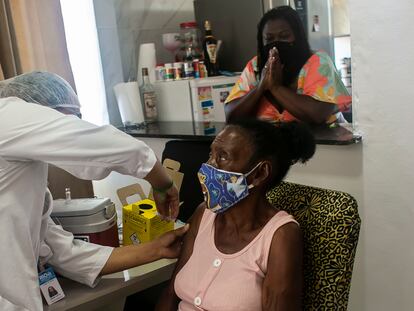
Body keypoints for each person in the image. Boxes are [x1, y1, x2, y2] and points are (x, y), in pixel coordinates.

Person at [0, 71, 189, 311]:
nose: (73, 126)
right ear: (42, 115)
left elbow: (61, 251)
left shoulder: (20, 172)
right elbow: (110, 146)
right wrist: (163, 183)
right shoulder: (6, 116)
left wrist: (156, 249)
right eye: (68, 120)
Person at [156, 118, 316, 310]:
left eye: (223, 157)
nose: (208, 166)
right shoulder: (204, 214)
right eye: (211, 154)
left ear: (259, 174)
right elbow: (170, 295)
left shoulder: (280, 236)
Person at [225, 6, 351, 125]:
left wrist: (275, 87)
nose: (276, 44)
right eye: (269, 39)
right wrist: (261, 86)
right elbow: (231, 115)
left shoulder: (317, 61)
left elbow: (317, 114)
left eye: (284, 36)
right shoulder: (256, 66)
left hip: (326, 146)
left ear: (298, 37)